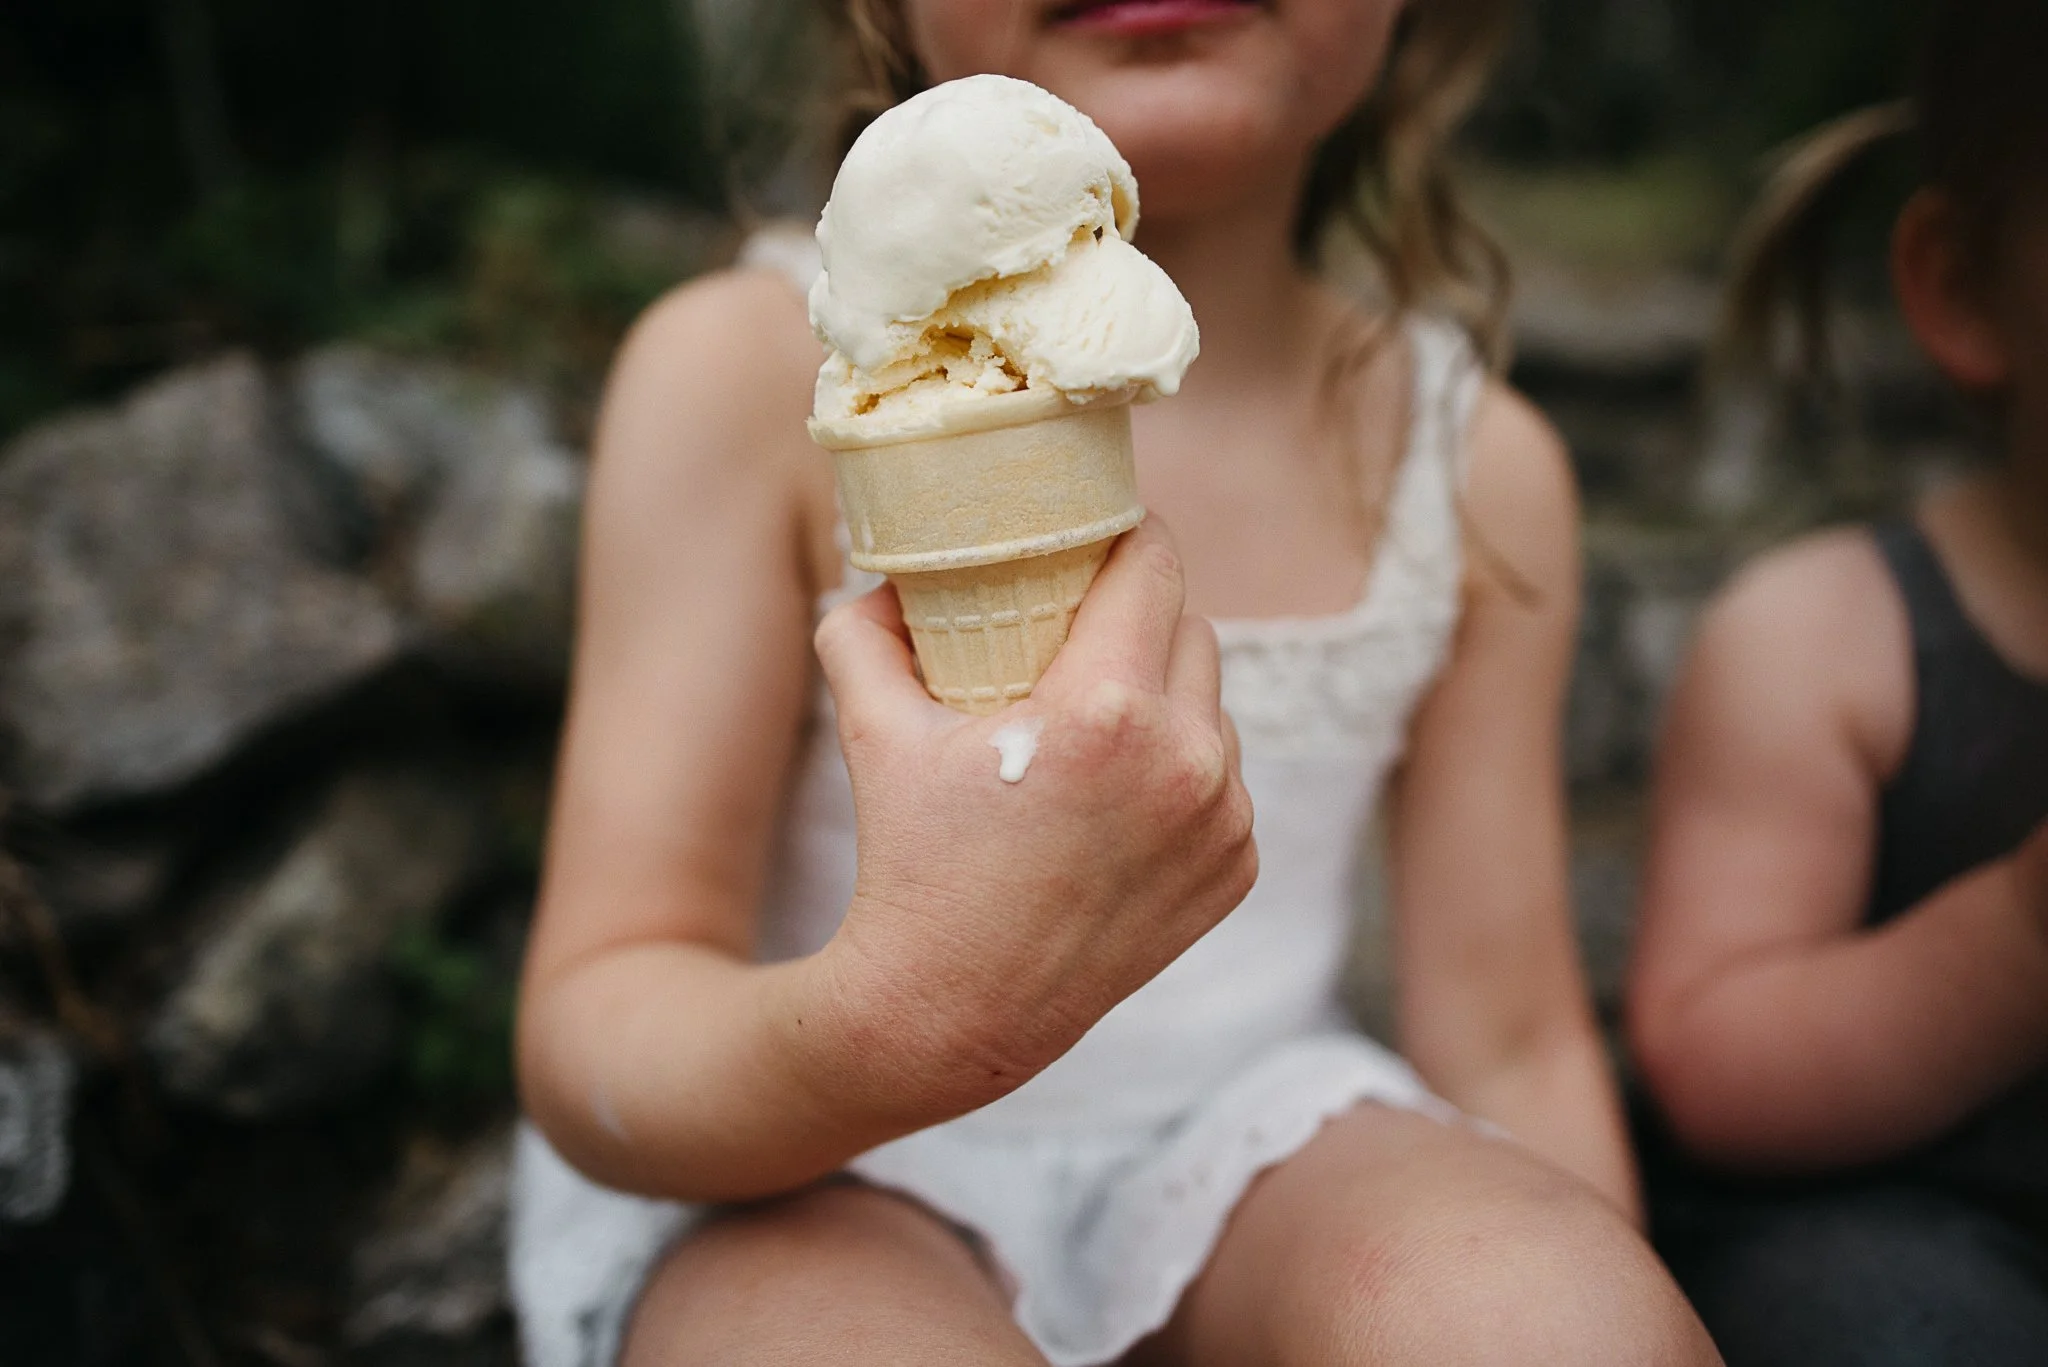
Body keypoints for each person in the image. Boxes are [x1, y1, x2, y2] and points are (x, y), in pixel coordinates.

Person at [510, 3, 1718, 1365]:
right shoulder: (745, 375)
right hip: (809, 1155)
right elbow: (605, 1006)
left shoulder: (1478, 470)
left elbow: (1508, 1042)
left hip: (1261, 1138)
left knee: (1541, 1315)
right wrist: (887, 1025)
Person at [1627, 1, 2048, 1362]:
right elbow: (1710, 1063)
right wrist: (2025, 932)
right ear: (1966, 289)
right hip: (1916, 1233)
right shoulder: (1830, 639)